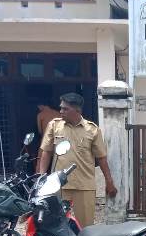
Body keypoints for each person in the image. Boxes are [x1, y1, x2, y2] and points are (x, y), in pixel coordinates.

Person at [38, 93, 116, 227]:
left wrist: (109, 182)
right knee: (57, 226)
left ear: (77, 110)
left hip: (84, 186)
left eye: (65, 109)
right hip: (59, 185)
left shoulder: (92, 130)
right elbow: (46, 152)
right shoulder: (54, 126)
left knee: (85, 227)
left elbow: (101, 158)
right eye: (61, 108)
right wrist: (41, 177)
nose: (61, 111)